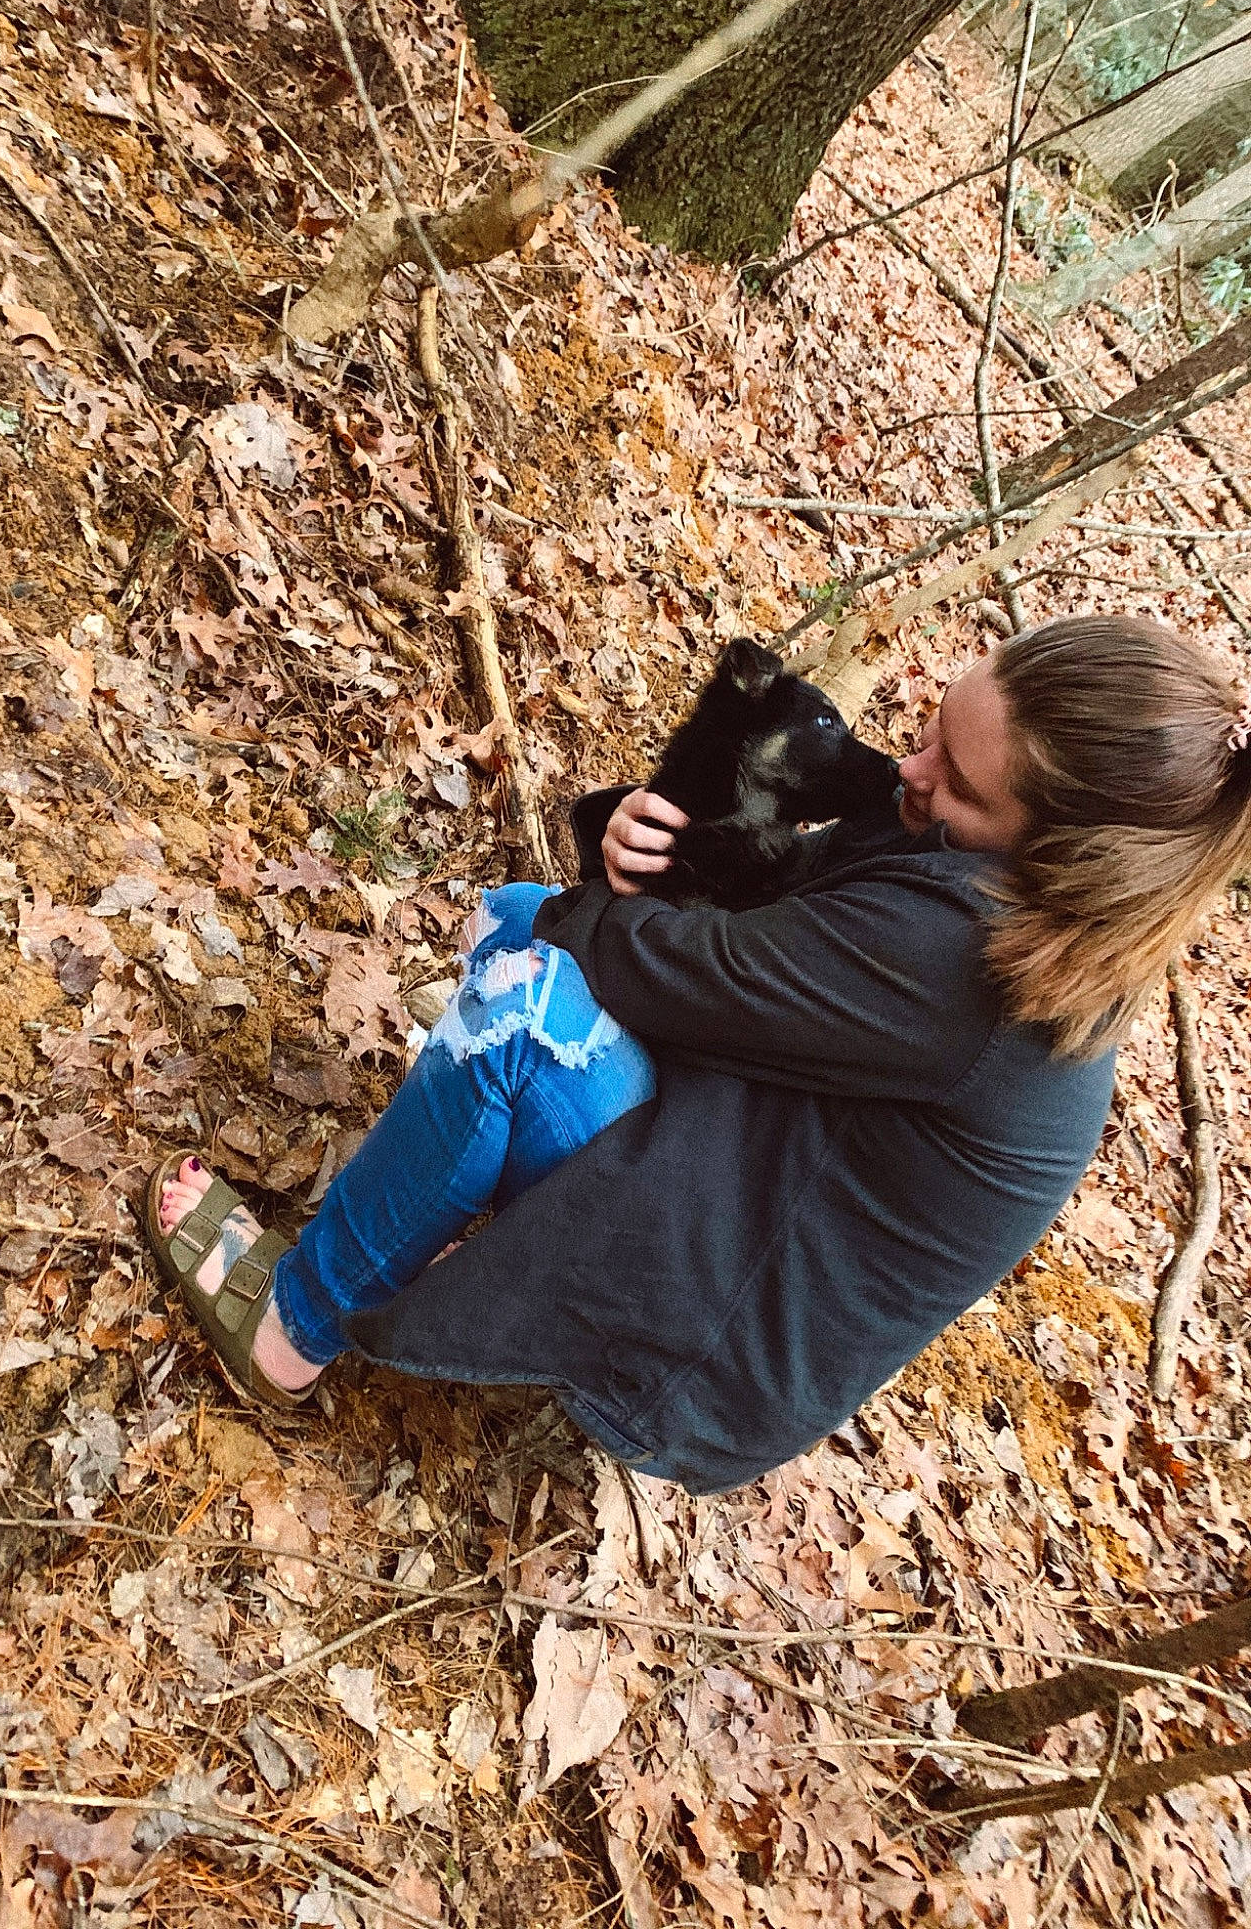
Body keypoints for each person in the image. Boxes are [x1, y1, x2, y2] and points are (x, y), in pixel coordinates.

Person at [144, 615, 1251, 1493]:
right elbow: (754, 934)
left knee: (520, 1008)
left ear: (1057, 839)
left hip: (709, 1334)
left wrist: (601, 917)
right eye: (931, 730)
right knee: (523, 915)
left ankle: (291, 1329)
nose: (910, 771)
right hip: (739, 1162)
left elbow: (668, 973)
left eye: (957, 776)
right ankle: (451, 1178)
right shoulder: (994, 876)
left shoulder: (974, 971)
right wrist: (632, 847)